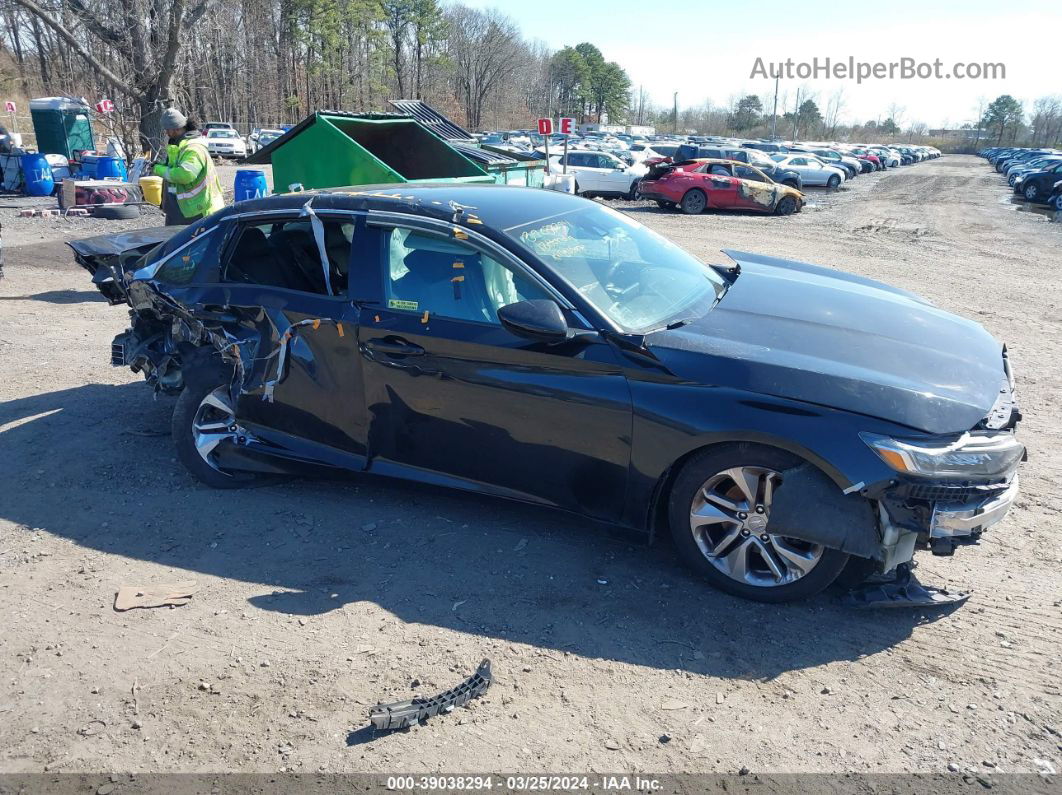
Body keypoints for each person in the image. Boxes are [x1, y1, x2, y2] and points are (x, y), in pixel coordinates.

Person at [153, 108, 224, 225]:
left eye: (167, 129)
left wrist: (158, 169)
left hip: (197, 210)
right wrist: (162, 165)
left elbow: (185, 175)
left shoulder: (193, 148)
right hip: (183, 209)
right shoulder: (179, 146)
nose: (166, 133)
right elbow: (174, 167)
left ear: (175, 129)